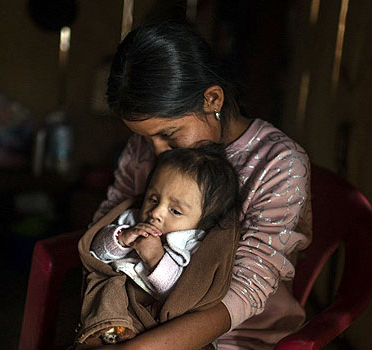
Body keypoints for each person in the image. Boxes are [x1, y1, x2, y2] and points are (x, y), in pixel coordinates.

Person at [85, 22, 312, 350]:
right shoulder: (144, 150)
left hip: (234, 335)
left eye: (168, 134)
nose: (156, 152)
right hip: (140, 317)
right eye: (143, 137)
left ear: (212, 99)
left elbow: (246, 290)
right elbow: (108, 222)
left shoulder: (277, 163)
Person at [75, 145, 241, 347]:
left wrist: (155, 257)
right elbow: (97, 254)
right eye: (153, 199)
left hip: (156, 324)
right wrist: (122, 238)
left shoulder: (193, 244)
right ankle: (109, 330)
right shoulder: (132, 220)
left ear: (204, 221)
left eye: (175, 211)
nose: (156, 212)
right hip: (119, 307)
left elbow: (180, 295)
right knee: (106, 290)